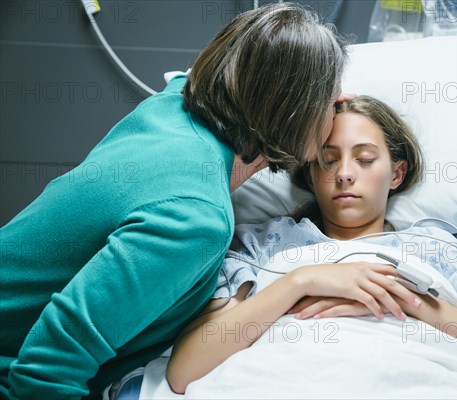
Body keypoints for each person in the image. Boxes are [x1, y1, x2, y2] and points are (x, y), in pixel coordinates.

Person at [0, 4, 386, 399]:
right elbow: (45, 370)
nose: (334, 108)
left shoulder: (169, 107)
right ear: (294, 113)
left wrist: (306, 97)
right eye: (327, 101)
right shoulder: (195, 219)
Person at [166, 96, 457, 393]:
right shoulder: (264, 246)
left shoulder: (440, 250)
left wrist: (407, 300)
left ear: (397, 174)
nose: (346, 174)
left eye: (365, 159)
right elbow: (186, 370)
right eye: (328, 161)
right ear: (311, 175)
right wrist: (299, 282)